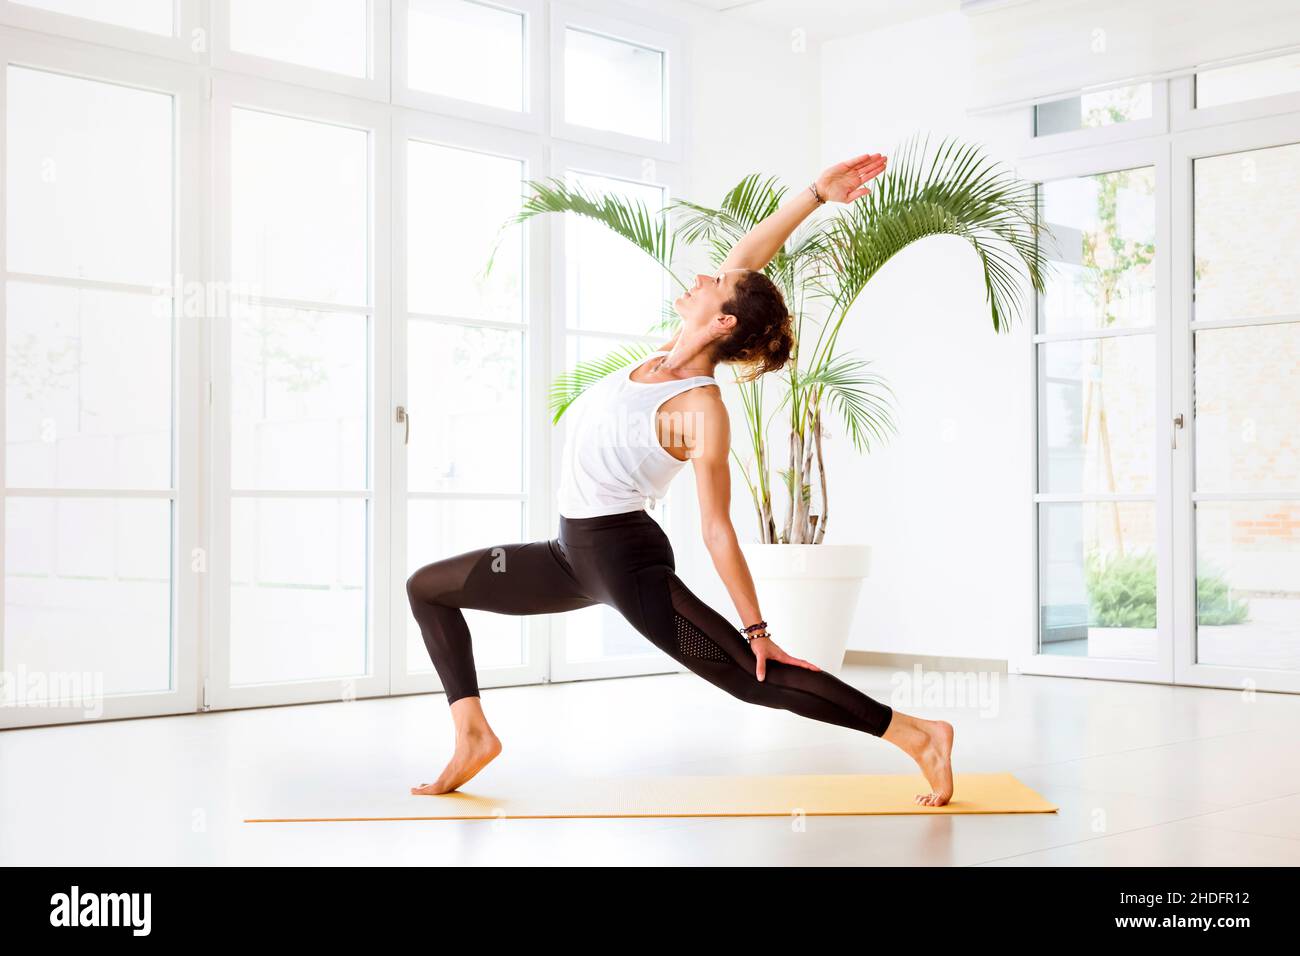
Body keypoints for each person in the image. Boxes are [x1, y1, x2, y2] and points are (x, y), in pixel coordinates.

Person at [406, 152, 955, 806]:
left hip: (625, 562)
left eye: (714, 284)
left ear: (722, 322)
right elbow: (750, 257)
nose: (702, 275)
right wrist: (815, 193)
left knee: (754, 678)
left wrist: (757, 631)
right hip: (567, 554)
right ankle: (472, 735)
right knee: (429, 588)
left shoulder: (701, 408)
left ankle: (918, 734)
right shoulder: (668, 351)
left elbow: (718, 529)